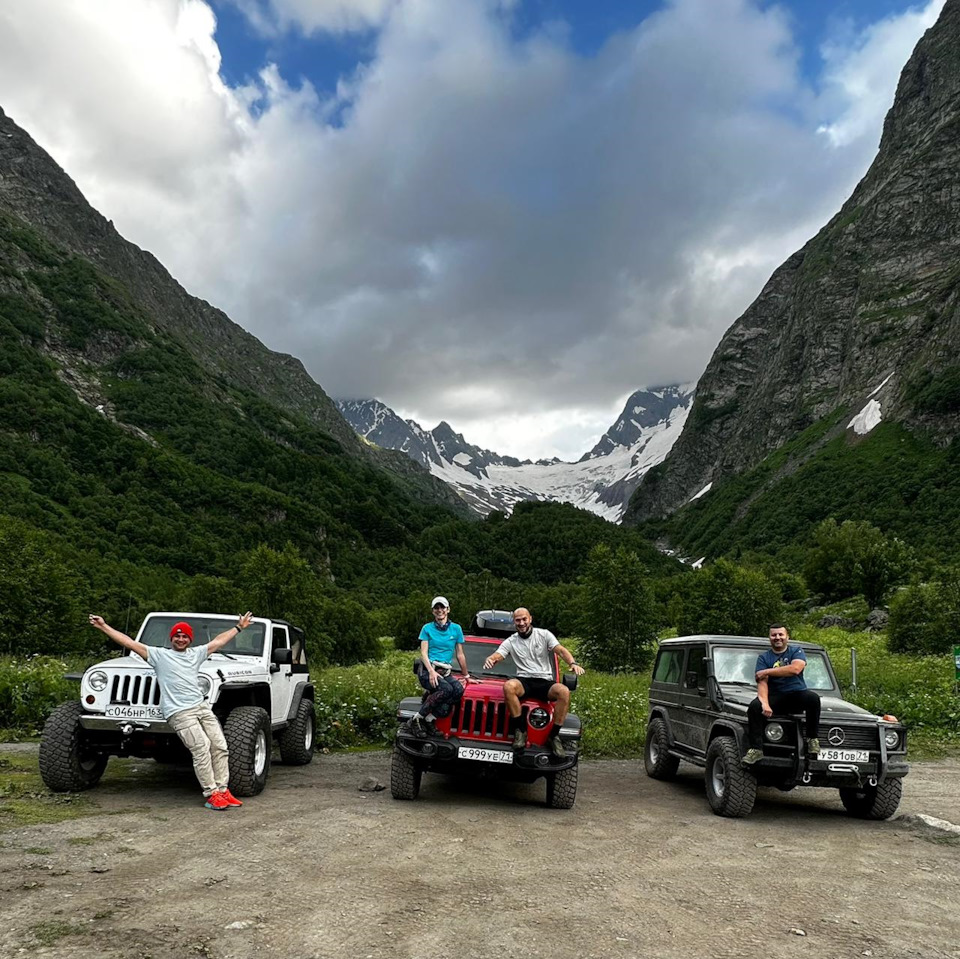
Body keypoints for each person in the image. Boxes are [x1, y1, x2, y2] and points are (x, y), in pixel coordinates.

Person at [89, 611, 253, 810]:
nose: (181, 639)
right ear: (172, 638)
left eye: (185, 636)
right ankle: (211, 794)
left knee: (219, 746)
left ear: (190, 639)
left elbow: (218, 641)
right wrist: (103, 626)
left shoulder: (197, 654)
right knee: (201, 748)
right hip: (180, 712)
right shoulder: (159, 655)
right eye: (177, 635)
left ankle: (223, 789)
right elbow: (129, 643)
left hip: (201, 707)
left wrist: (238, 628)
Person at [482, 607, 585, 759]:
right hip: (525, 681)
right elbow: (499, 654)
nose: (521, 623)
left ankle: (554, 736)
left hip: (545, 682)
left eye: (524, 619)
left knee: (564, 691)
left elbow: (561, 650)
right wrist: (491, 659)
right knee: (509, 686)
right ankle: (521, 731)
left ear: (530, 619)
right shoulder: (511, 641)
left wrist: (573, 662)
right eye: (518, 620)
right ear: (514, 622)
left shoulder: (544, 635)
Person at [743, 623, 821, 765]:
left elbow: (795, 669)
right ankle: (756, 749)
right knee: (755, 707)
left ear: (787, 637)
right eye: (774, 635)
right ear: (769, 638)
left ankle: (812, 739)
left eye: (780, 634)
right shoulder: (764, 658)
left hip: (796, 695)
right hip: (776, 697)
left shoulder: (796, 651)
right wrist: (765, 704)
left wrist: (767, 671)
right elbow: (762, 683)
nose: (777, 637)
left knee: (813, 699)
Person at [403, 597, 469, 738]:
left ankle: (429, 719)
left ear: (448, 609)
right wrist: (431, 671)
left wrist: (466, 676)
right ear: (433, 611)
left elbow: (460, 655)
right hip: (428, 669)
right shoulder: (427, 628)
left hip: (445, 671)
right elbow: (423, 653)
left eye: (442, 607)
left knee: (457, 690)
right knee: (446, 689)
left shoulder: (456, 629)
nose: (440, 610)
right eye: (436, 608)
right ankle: (416, 719)